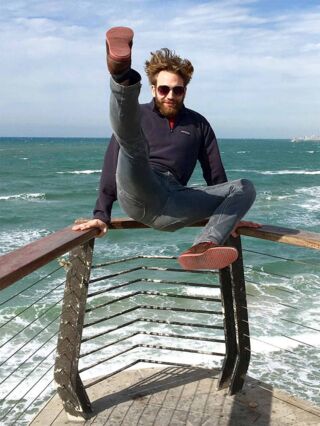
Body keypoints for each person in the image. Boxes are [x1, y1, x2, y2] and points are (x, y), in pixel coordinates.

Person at [73, 26, 260, 270]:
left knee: (245, 187)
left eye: (177, 90)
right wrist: (101, 215)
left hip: (174, 203)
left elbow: (216, 177)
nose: (170, 95)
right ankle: (121, 76)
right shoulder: (137, 115)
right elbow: (111, 166)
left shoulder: (198, 124)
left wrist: (229, 215)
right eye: (164, 89)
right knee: (133, 144)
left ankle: (204, 246)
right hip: (140, 187)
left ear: (185, 91)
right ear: (153, 89)